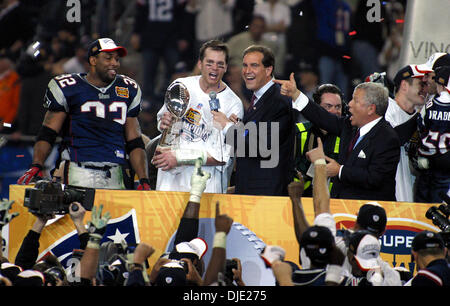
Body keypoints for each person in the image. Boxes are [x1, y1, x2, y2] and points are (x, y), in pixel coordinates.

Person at [16, 38, 150, 190]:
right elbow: (48, 132)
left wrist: (143, 178)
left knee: (113, 214)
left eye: (117, 59)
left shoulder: (128, 88)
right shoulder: (68, 87)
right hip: (77, 169)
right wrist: (36, 165)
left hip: (115, 171)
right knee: (77, 212)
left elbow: (135, 140)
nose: (115, 63)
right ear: (93, 60)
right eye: (108, 58)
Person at [276, 74, 401, 201]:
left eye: (355, 101)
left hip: (369, 211)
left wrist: (340, 170)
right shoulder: (349, 126)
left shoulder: (387, 138)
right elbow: (321, 117)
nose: (349, 105)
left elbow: (375, 178)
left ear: (370, 109)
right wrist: (296, 94)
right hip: (341, 208)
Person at [152, 39, 243, 194]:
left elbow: (222, 155)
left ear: (226, 67)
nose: (214, 68)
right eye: (209, 63)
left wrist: (178, 158)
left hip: (206, 183)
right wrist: (163, 123)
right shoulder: (181, 86)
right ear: (200, 64)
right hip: (170, 178)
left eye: (220, 64)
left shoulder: (233, 103)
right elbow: (163, 123)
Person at [229, 44, 295, 196]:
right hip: (252, 189)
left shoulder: (278, 100)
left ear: (268, 70)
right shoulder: (259, 99)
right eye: (245, 65)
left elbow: (263, 148)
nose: (247, 71)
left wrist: (227, 127)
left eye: (254, 65)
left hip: (267, 193)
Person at [384, 65, 426, 202]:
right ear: (404, 85)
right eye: (421, 84)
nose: (425, 89)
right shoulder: (386, 108)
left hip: (412, 196)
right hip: (389, 198)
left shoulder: (422, 117)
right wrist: (422, 114)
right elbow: (393, 139)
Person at [294, 83, 344, 196]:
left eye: (338, 107)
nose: (334, 111)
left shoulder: (348, 137)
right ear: (316, 108)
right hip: (300, 199)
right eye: (328, 106)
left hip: (335, 203)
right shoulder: (297, 132)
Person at [414, 64, 450, 203]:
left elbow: (420, 126)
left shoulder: (428, 105)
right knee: (440, 210)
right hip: (446, 166)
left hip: (426, 162)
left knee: (421, 209)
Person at [226, 14, 278, 106]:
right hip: (236, 74)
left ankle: (256, 111)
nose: (258, 29)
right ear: (251, 26)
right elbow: (223, 56)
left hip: (258, 77)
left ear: (264, 29)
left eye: (261, 27)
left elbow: (272, 67)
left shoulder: (268, 45)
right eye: (256, 26)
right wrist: (230, 68)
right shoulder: (237, 40)